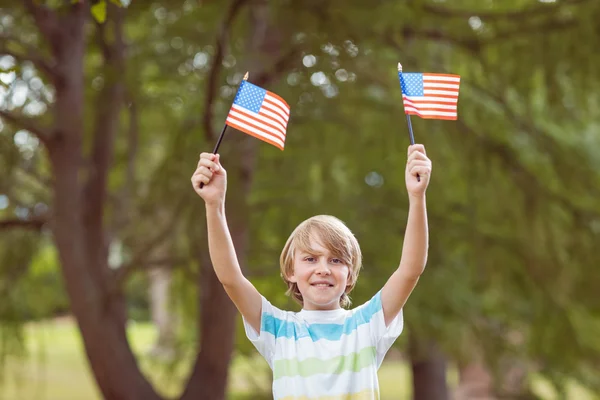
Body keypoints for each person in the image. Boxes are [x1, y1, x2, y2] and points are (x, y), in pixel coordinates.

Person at [191, 144, 432, 399]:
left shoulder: (367, 324)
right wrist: (214, 205)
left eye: (336, 260)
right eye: (310, 258)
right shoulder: (278, 330)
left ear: (350, 275)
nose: (323, 269)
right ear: (291, 270)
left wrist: (417, 198)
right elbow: (231, 279)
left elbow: (410, 270)